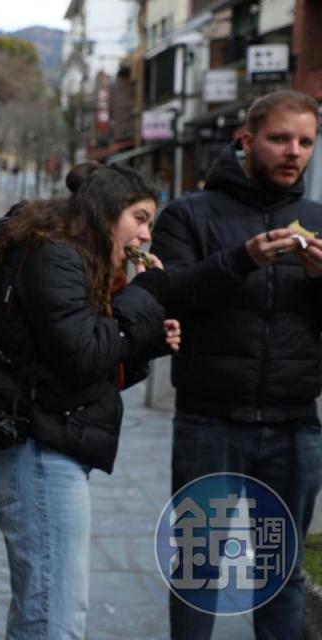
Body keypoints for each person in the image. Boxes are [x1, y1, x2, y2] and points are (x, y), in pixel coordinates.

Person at [0, 163, 181, 639]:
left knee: (44, 610)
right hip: (35, 450)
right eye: (139, 218)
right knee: (54, 620)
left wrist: (149, 340)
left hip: (42, 442)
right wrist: (145, 295)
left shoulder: (70, 256)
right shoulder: (56, 256)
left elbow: (85, 370)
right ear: (105, 213)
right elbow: (83, 355)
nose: (146, 233)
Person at [150, 90, 322, 640]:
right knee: (199, 570)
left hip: (294, 425)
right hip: (209, 422)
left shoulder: (317, 219)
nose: (293, 152)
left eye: (305, 142)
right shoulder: (188, 214)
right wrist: (242, 259)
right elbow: (170, 294)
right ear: (246, 141)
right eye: (279, 139)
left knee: (282, 570)